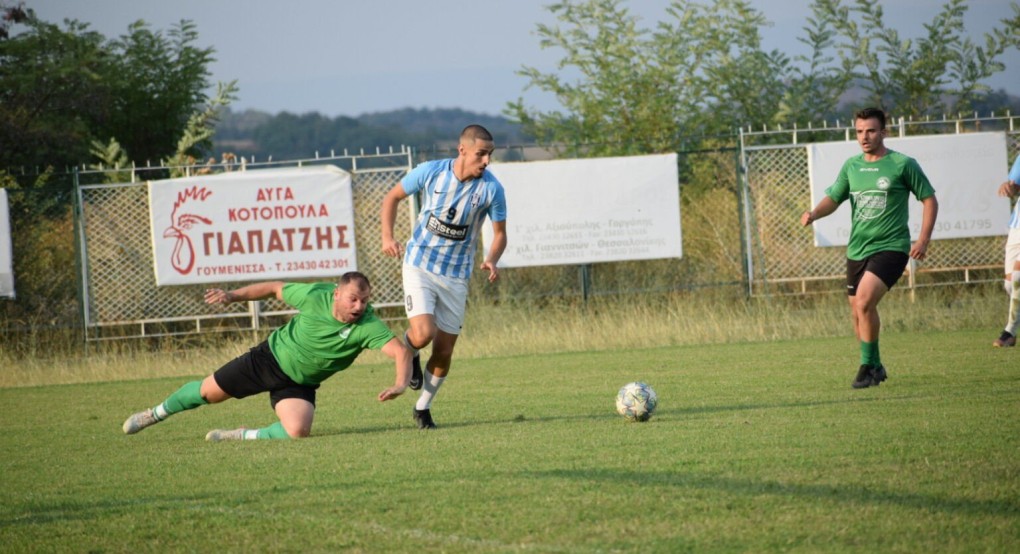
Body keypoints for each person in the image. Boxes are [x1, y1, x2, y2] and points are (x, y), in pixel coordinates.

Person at [122, 272, 412, 440]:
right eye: (353, 299)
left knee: (297, 431)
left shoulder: (366, 325)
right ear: (337, 294)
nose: (359, 306)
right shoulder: (314, 296)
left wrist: (400, 384)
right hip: (268, 359)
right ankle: (155, 413)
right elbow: (274, 288)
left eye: (364, 300)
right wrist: (233, 296)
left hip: (299, 383)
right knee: (207, 393)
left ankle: (240, 435)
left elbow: (400, 351)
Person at [380, 124, 508, 429]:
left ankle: (422, 408)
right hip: (419, 264)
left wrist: (491, 258)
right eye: (481, 154)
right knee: (424, 333)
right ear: (462, 150)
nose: (487, 161)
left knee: (444, 350)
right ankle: (410, 353)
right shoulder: (430, 172)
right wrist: (387, 236)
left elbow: (500, 234)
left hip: (456, 276)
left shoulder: (492, 188)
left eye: (490, 154)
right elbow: (392, 198)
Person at [801, 107, 939, 389]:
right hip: (857, 249)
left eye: (871, 131)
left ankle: (866, 370)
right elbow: (834, 198)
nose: (865, 136)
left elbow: (929, 200)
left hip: (891, 247)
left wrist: (923, 239)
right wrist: (814, 214)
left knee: (864, 302)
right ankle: (875, 365)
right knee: (857, 313)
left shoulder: (902, 164)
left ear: (883, 132)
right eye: (860, 131)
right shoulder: (852, 166)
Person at [993, 154, 1020, 347]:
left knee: (1018, 277)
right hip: (1017, 226)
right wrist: (1009, 187)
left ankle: (1009, 332)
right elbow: (1015, 184)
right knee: (1010, 286)